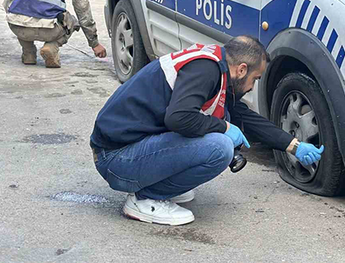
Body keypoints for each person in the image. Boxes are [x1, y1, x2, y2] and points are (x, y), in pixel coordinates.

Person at [90, 36, 325, 226]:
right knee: (219, 147)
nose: (253, 86)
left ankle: (156, 187)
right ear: (242, 69)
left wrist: (293, 145)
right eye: (255, 78)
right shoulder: (206, 69)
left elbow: (246, 118)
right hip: (115, 158)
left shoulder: (216, 68)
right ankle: (146, 198)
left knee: (226, 119)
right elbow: (178, 118)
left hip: (124, 150)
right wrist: (223, 127)